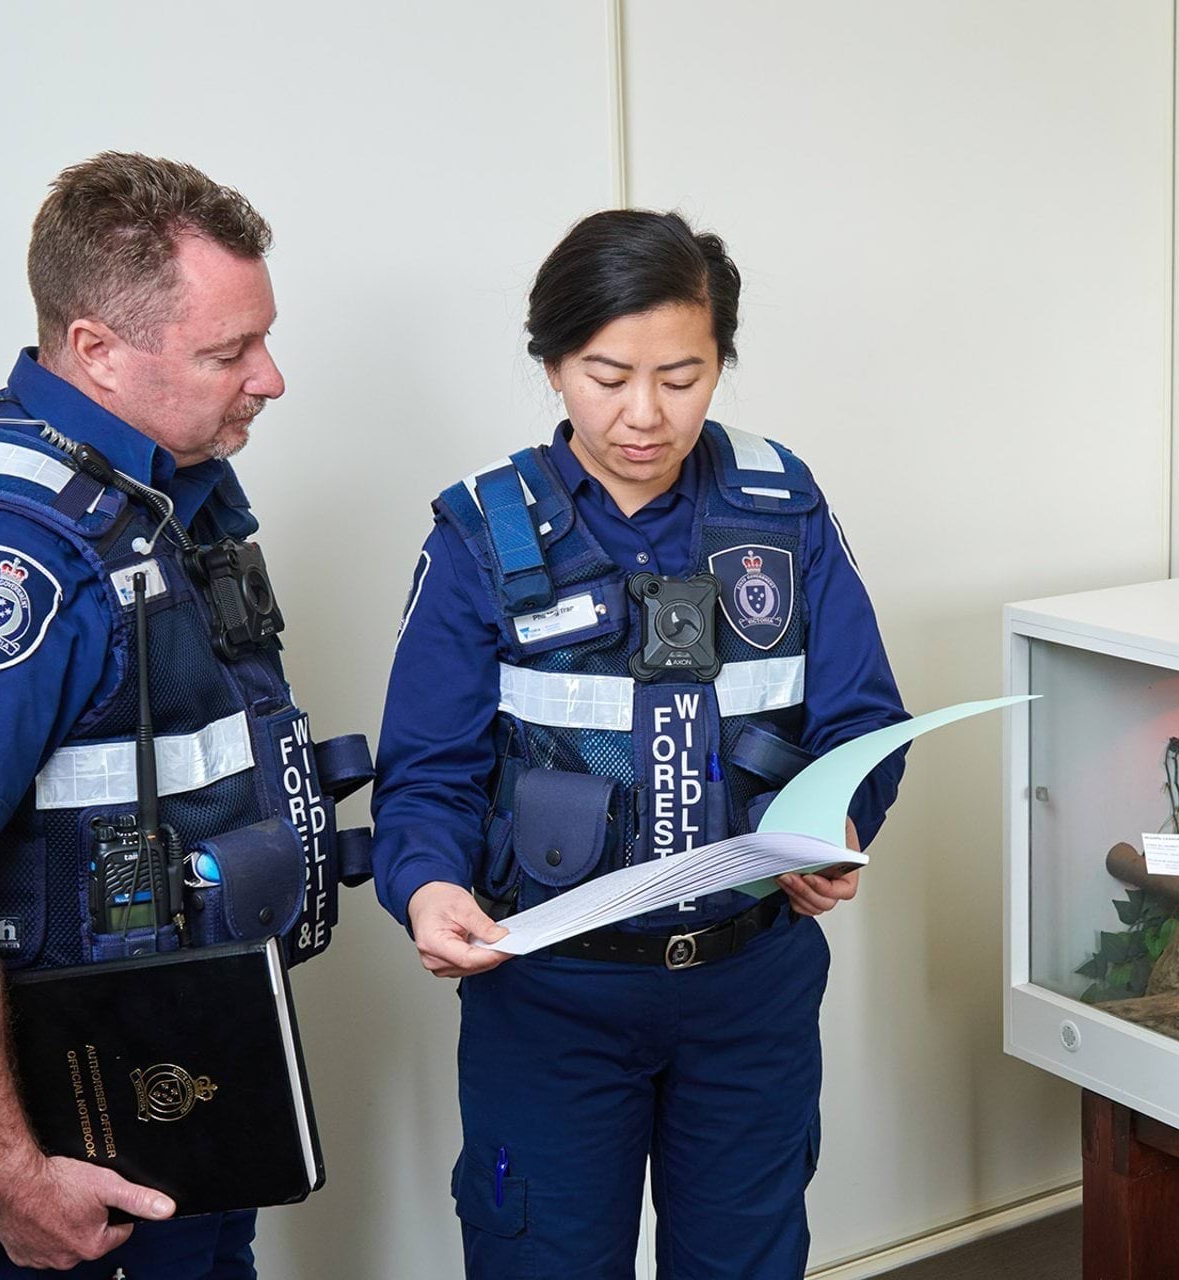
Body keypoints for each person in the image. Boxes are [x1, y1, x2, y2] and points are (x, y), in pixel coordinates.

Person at [0, 153, 370, 1277]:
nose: (269, 377)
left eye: (261, 338)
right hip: (44, 1140)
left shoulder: (162, 496)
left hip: (184, 1090)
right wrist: (10, 1176)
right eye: (229, 352)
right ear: (95, 350)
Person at [370, 209, 908, 1278]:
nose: (643, 415)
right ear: (553, 361)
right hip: (550, 999)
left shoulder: (781, 505)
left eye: (682, 375)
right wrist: (426, 887)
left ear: (720, 362)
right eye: (605, 375)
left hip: (747, 989)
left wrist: (838, 822)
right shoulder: (481, 531)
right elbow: (426, 771)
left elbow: (861, 720)